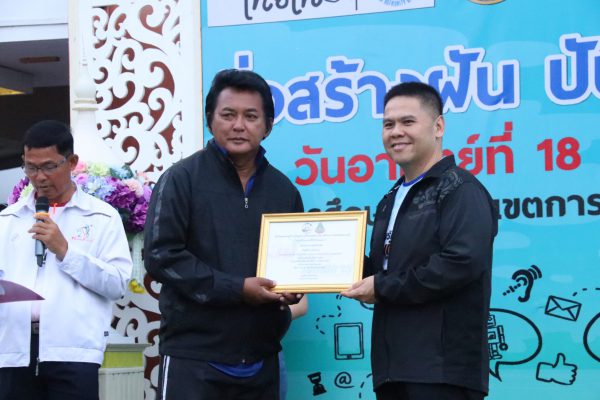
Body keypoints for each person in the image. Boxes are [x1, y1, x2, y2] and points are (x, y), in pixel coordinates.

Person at [144, 69, 304, 399]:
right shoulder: (181, 179)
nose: (238, 125)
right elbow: (161, 256)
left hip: (261, 356)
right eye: (228, 115)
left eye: (251, 116)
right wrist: (238, 289)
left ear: (268, 125)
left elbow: (294, 260)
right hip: (193, 356)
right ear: (210, 120)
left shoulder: (284, 191)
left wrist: (293, 287)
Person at [342, 82, 498, 400]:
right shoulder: (391, 198)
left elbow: (461, 263)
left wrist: (382, 287)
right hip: (393, 370)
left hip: (442, 373)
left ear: (438, 127)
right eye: (388, 124)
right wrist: (328, 263)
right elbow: (386, 271)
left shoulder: (460, 189)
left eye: (408, 122)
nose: (396, 132)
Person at [0, 120, 133, 400]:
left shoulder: (101, 216)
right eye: (31, 167)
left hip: (73, 351)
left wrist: (65, 251)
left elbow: (117, 284)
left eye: (49, 167)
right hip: (13, 351)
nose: (39, 177)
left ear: (71, 162)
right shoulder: (8, 219)